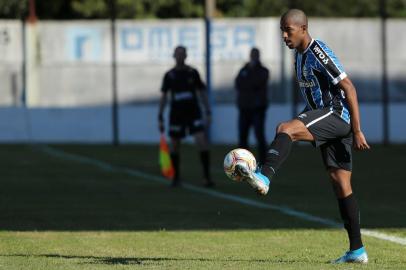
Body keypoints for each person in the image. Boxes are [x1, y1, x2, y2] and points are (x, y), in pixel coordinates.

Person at [235, 9, 370, 264]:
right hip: (325, 117)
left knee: (284, 129)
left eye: (288, 30)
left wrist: (357, 129)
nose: (284, 36)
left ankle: (264, 175)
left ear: (303, 29)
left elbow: (349, 87)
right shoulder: (298, 56)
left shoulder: (318, 51)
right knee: (341, 184)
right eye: (282, 31)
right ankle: (357, 250)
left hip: (336, 116)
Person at [158, 45, 214, 188]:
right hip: (176, 114)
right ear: (174, 56)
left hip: (193, 112)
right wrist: (160, 116)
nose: (180, 56)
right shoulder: (169, 75)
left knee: (201, 141)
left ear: (186, 56)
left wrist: (208, 112)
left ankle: (206, 178)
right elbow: (164, 97)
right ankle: (176, 178)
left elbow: (202, 93)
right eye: (178, 53)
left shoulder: (193, 72)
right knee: (175, 145)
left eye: (182, 53)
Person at [235, 48, 270, 164]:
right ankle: (244, 162)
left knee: (259, 135)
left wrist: (247, 82)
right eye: (252, 55)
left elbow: (256, 83)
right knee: (242, 137)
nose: (253, 57)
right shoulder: (243, 70)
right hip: (244, 108)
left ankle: (263, 162)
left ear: (258, 56)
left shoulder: (263, 71)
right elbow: (238, 83)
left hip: (257, 109)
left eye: (255, 55)